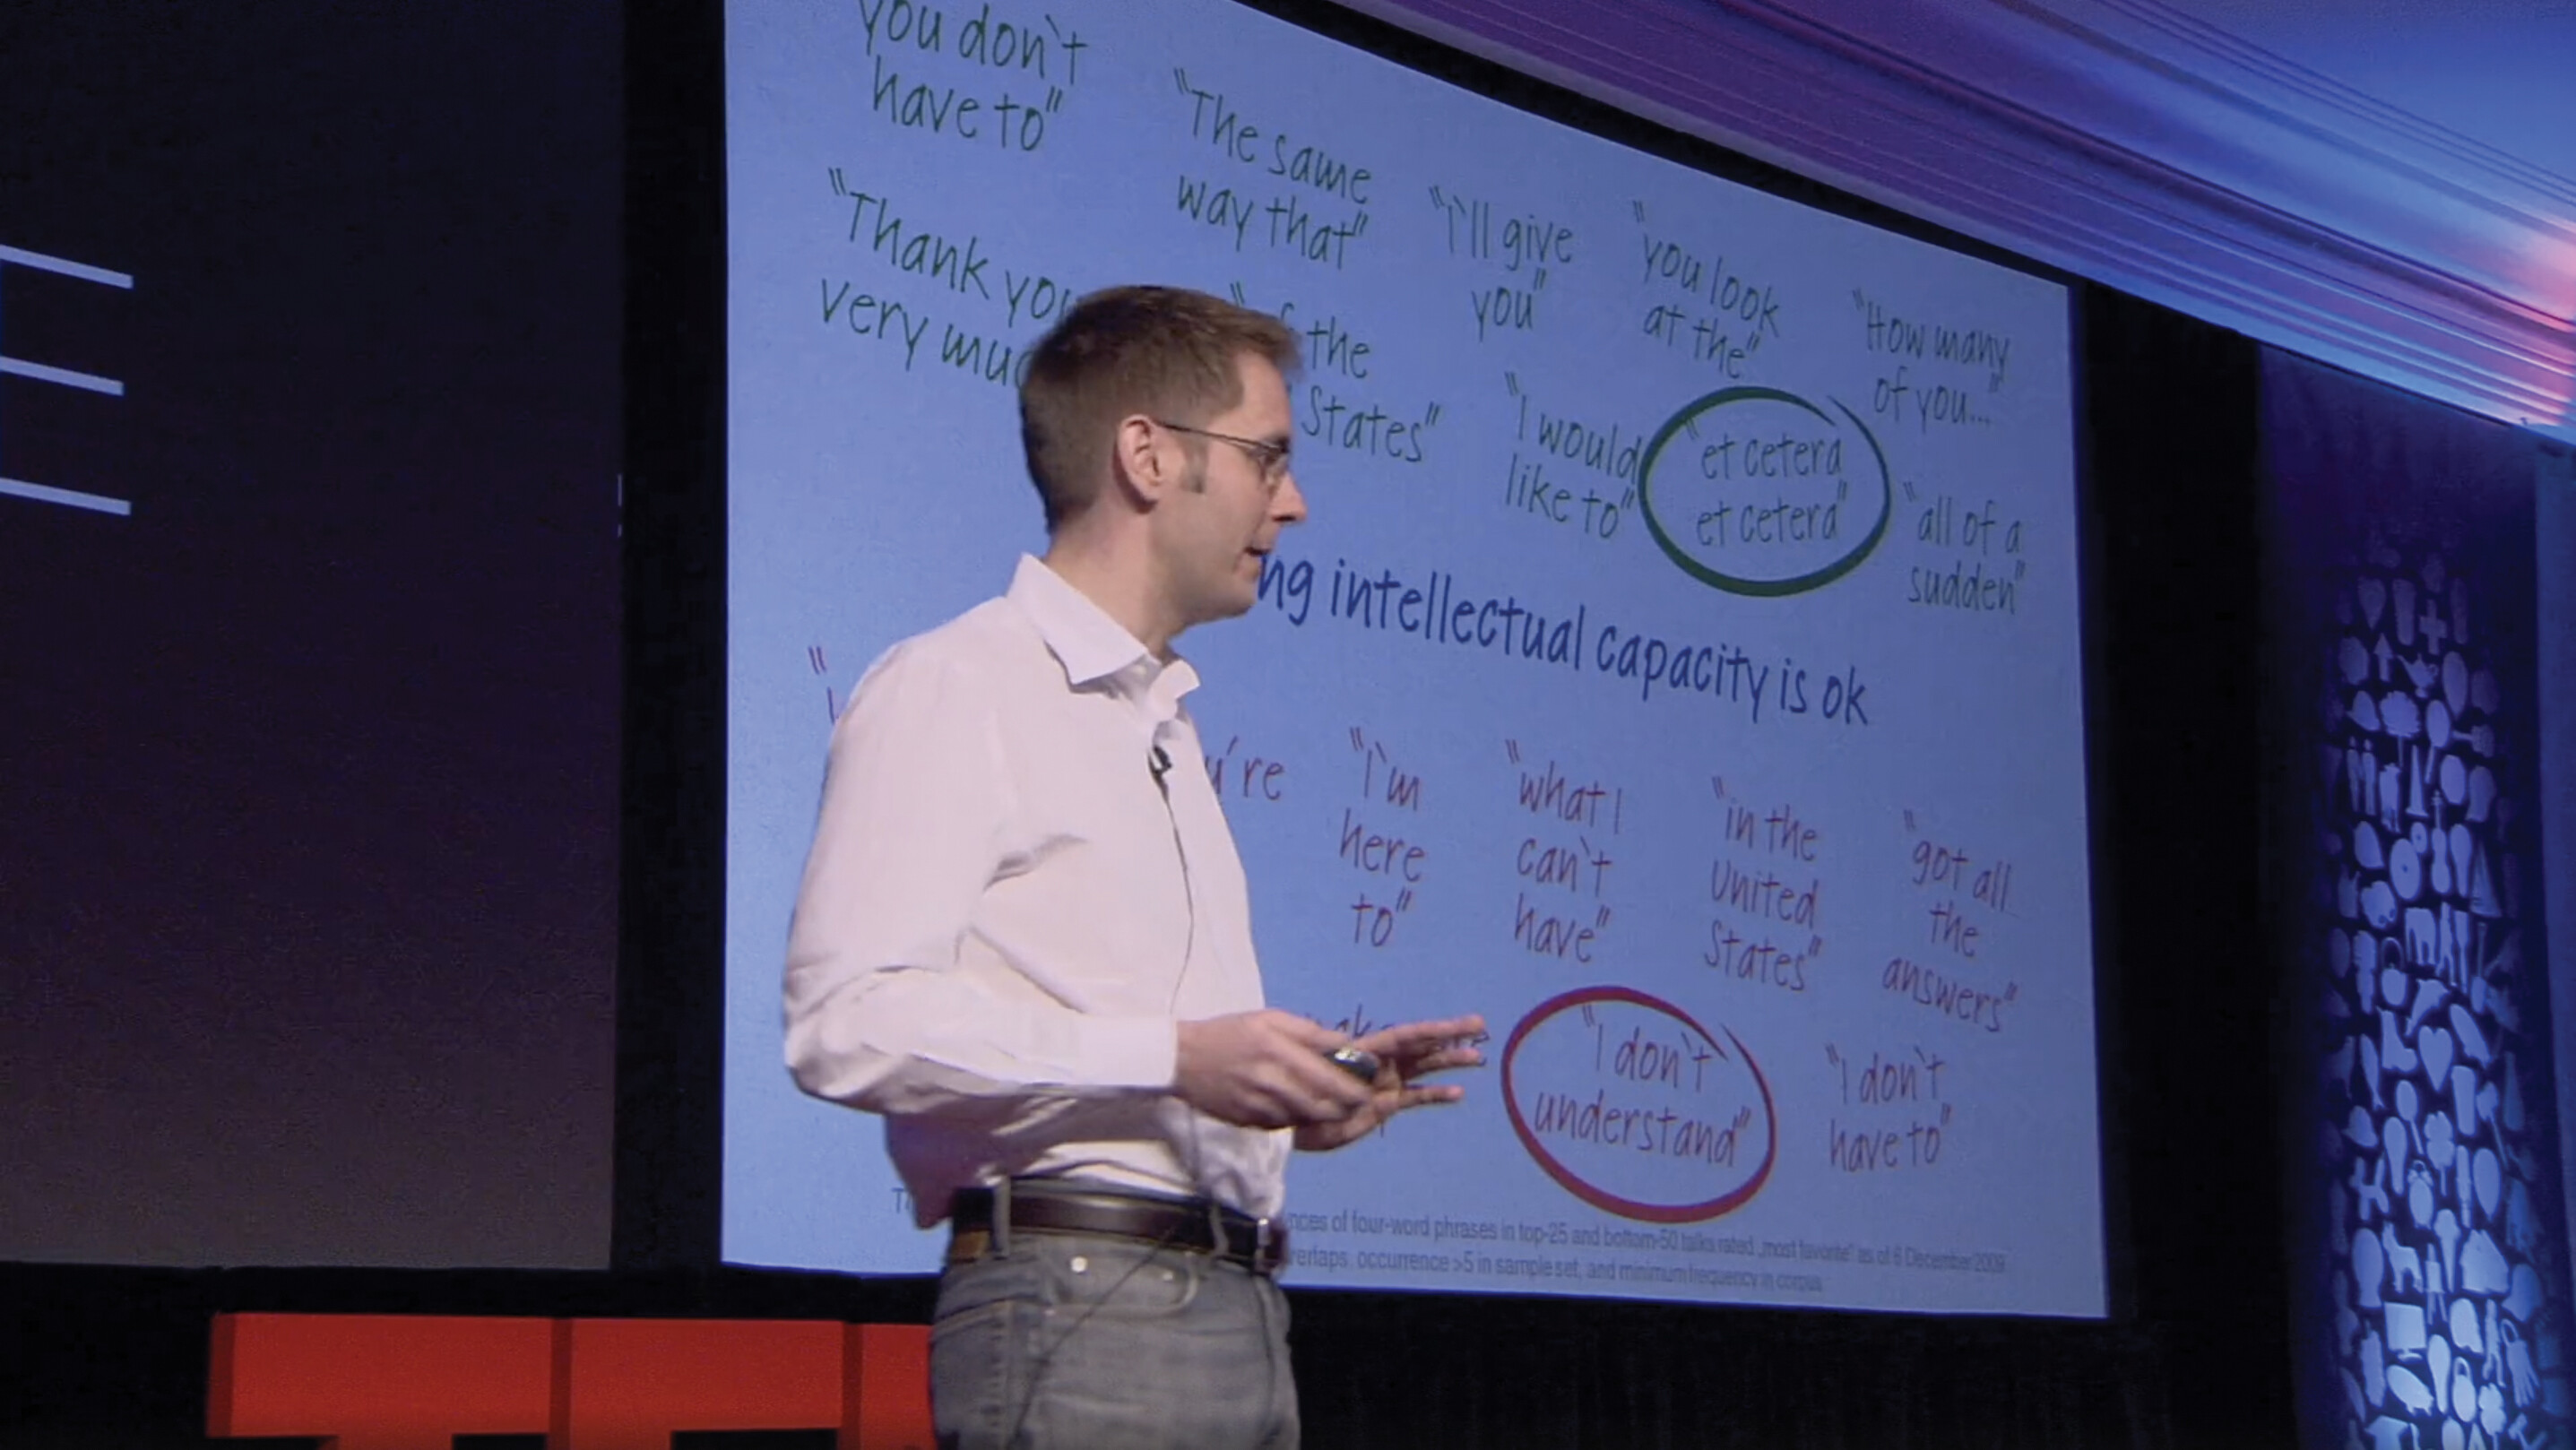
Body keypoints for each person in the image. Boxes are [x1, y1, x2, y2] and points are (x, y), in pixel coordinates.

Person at [782, 284, 1485, 1450]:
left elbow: (1130, 1049)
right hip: (1078, 1306)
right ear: (1148, 458)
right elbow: (843, 1022)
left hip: (1231, 1304)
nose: (1294, 503)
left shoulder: (1159, 723)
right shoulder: (960, 684)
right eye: (1268, 457)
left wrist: (1288, 1099)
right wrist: (1172, 1056)